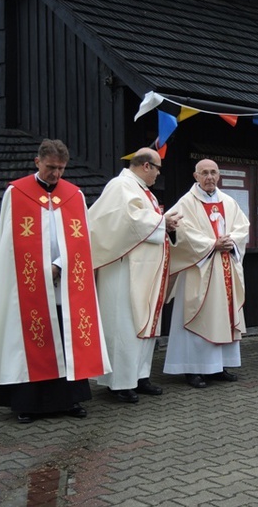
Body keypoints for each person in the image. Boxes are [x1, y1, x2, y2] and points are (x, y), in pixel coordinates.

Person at [0, 139, 111, 423]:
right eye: (51, 167)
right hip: (27, 285)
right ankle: (28, 403)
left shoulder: (74, 195)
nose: (56, 174)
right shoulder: (17, 193)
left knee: (66, 336)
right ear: (37, 162)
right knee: (32, 339)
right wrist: (37, 268)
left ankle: (70, 400)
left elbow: (81, 242)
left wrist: (58, 265)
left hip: (63, 282)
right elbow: (8, 243)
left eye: (61, 169)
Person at [89, 147, 183, 402]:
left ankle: (139, 377)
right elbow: (127, 221)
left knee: (143, 325)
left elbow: (143, 221)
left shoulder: (141, 190)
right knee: (124, 326)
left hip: (143, 271)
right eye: (158, 169)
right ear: (146, 166)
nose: (158, 175)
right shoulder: (120, 186)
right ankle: (119, 383)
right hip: (123, 271)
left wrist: (165, 223)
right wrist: (163, 222)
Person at [163, 159, 250, 388]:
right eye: (204, 173)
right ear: (196, 176)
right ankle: (192, 369)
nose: (209, 177)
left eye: (213, 172)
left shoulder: (229, 201)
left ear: (219, 175)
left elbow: (243, 227)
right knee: (197, 315)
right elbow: (181, 232)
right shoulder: (186, 202)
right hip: (198, 269)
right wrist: (212, 244)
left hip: (224, 268)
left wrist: (231, 242)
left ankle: (217, 367)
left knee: (222, 316)